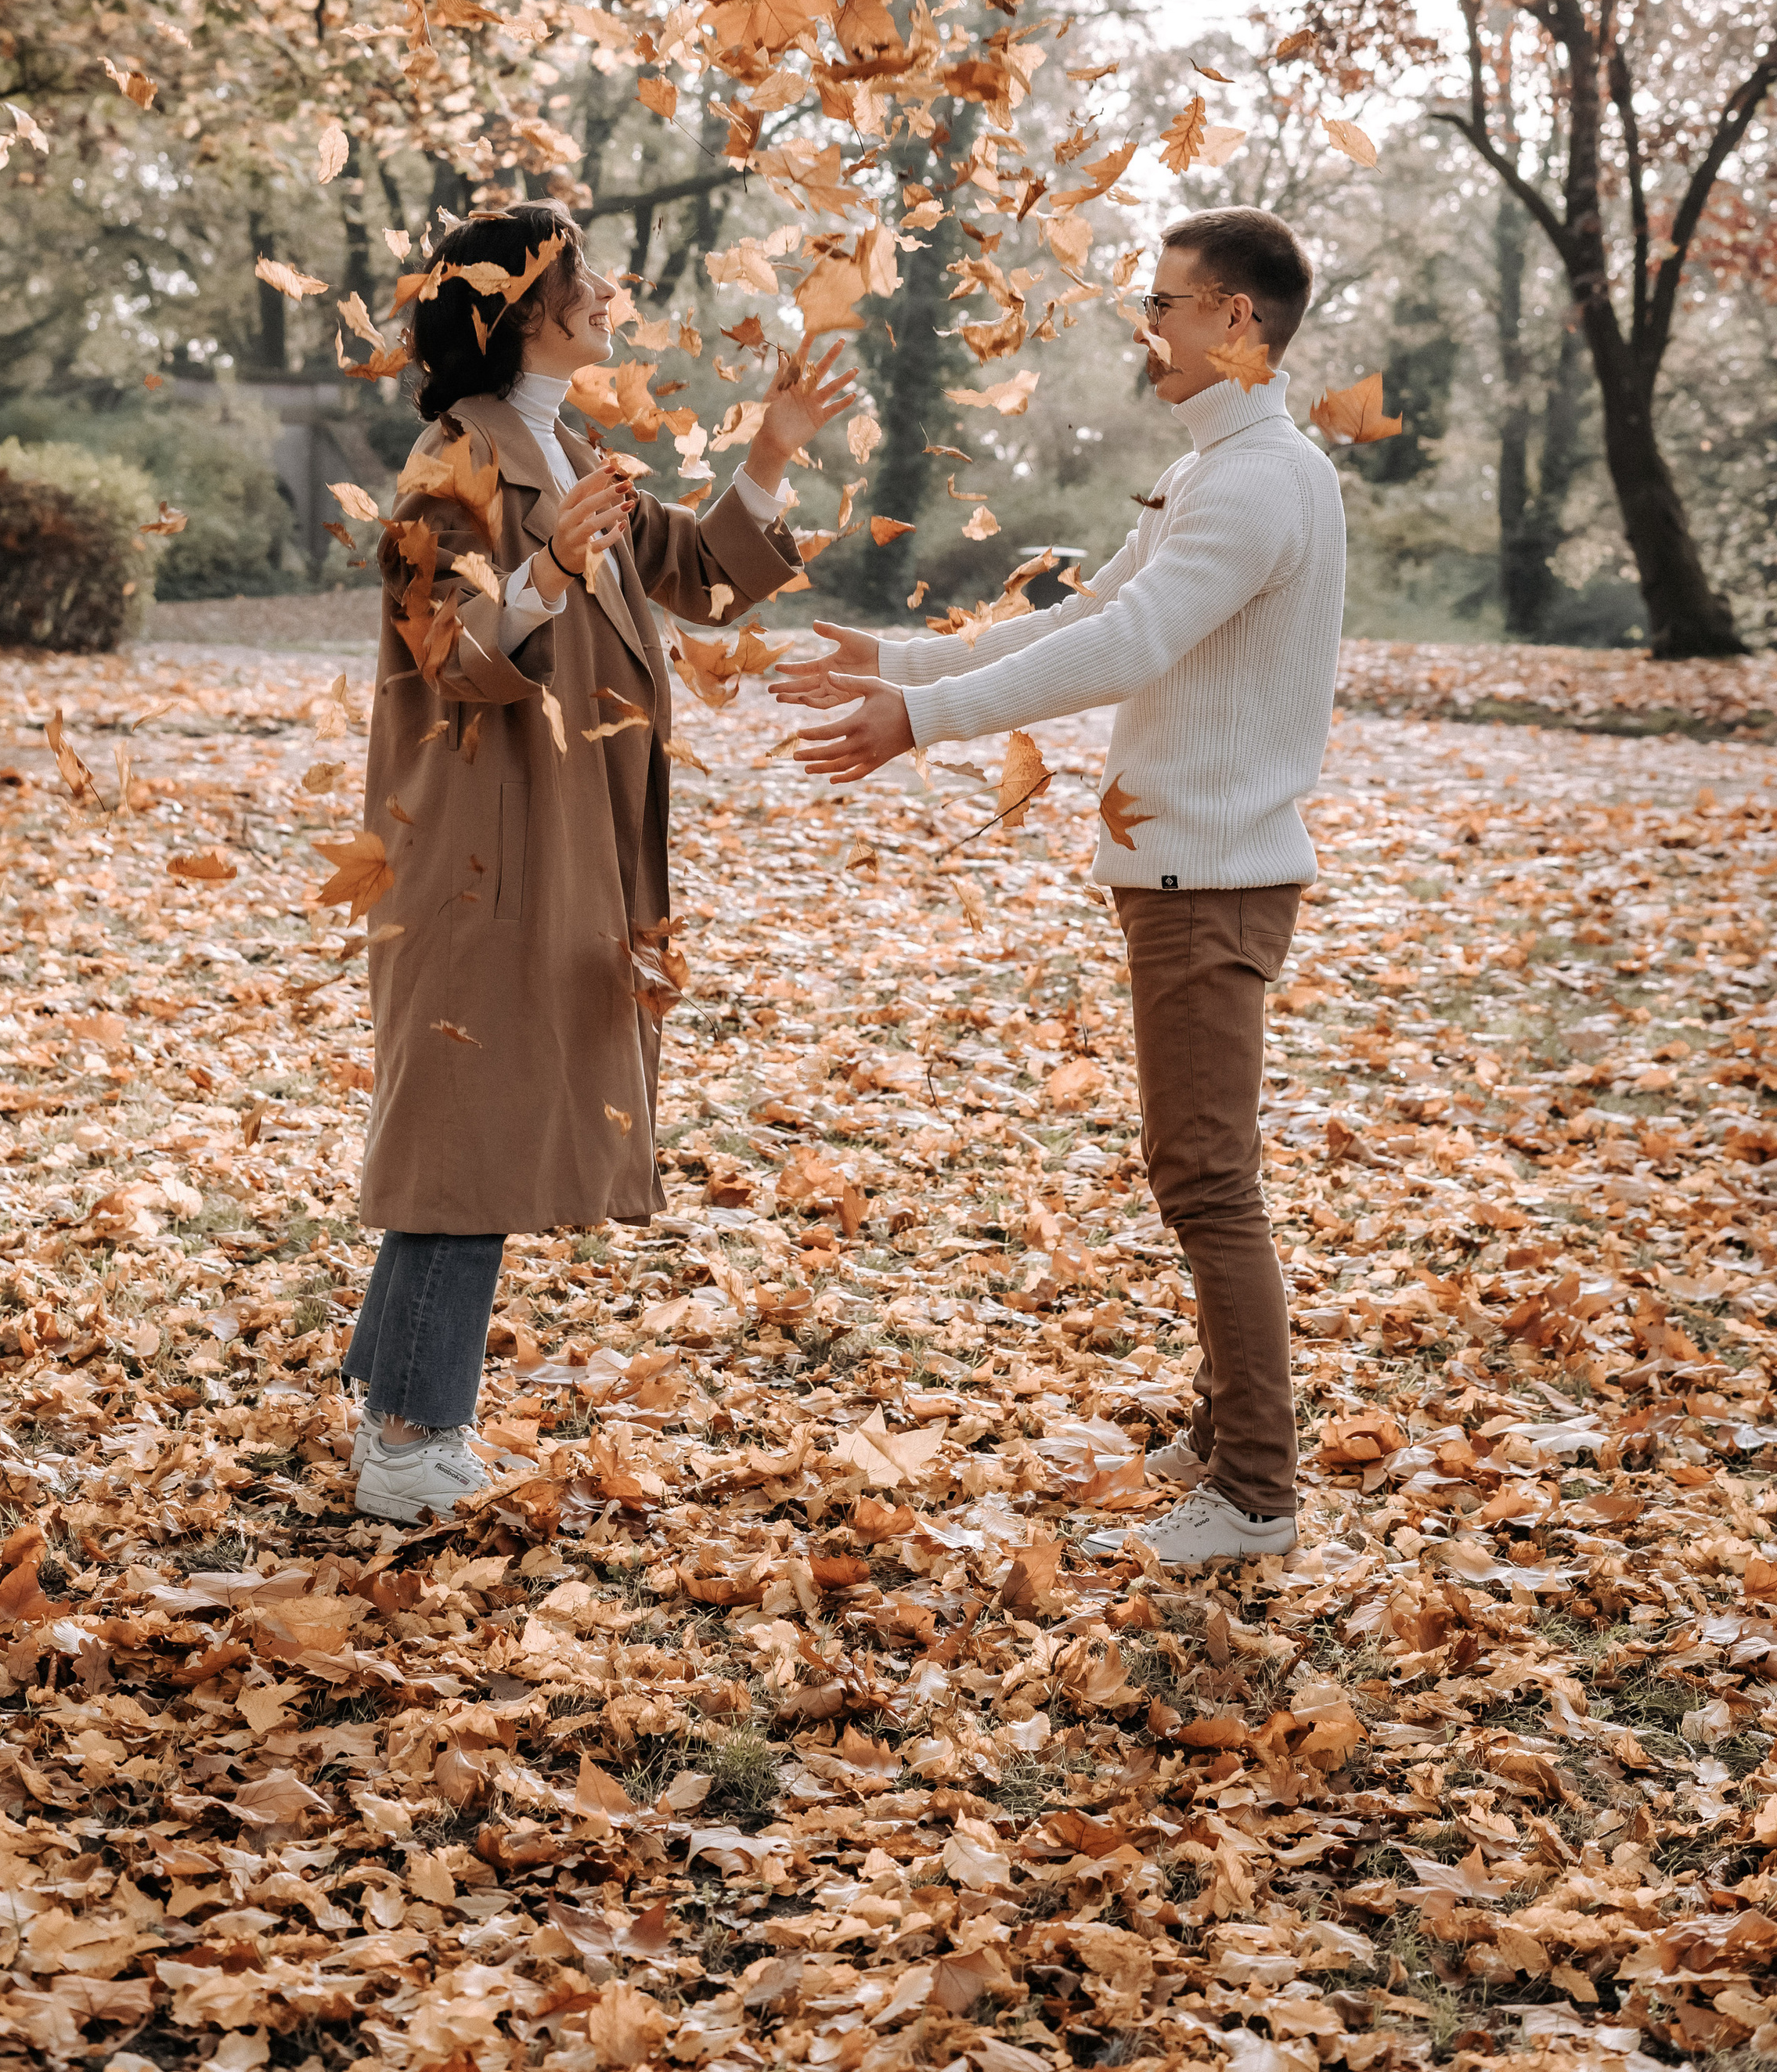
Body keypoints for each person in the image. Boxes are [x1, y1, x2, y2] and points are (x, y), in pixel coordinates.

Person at [777, 207, 1346, 1566]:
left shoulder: (1260, 481)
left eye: (1169, 302)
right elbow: (1092, 610)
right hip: (1185, 865)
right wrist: (903, 665)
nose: (1147, 326)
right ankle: (1227, 1436)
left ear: (1240, 323)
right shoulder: (1220, 469)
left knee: (1206, 1179)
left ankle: (1256, 1491)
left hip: (1212, 872)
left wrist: (920, 725)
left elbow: (1134, 643)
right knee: (1197, 1168)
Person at [345, 203, 856, 1523]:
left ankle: (394, 1401)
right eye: (582, 279)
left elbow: (696, 572)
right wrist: (550, 574)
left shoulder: (558, 445)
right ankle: (408, 1444)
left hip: (552, 847)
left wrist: (773, 454)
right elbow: (443, 652)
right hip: (482, 856)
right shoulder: (449, 469)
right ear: (516, 309)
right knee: (469, 1135)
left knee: (480, 1124)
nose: (607, 294)